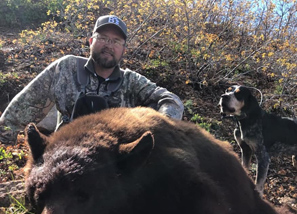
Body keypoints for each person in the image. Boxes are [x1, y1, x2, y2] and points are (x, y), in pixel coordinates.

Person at [0, 15, 184, 145]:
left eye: (116, 41)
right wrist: (5, 142)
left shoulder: (132, 81)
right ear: (90, 41)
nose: (108, 45)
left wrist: (160, 129)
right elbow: (24, 106)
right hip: (65, 154)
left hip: (112, 163)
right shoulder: (65, 68)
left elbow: (171, 101)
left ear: (123, 49)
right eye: (103, 38)